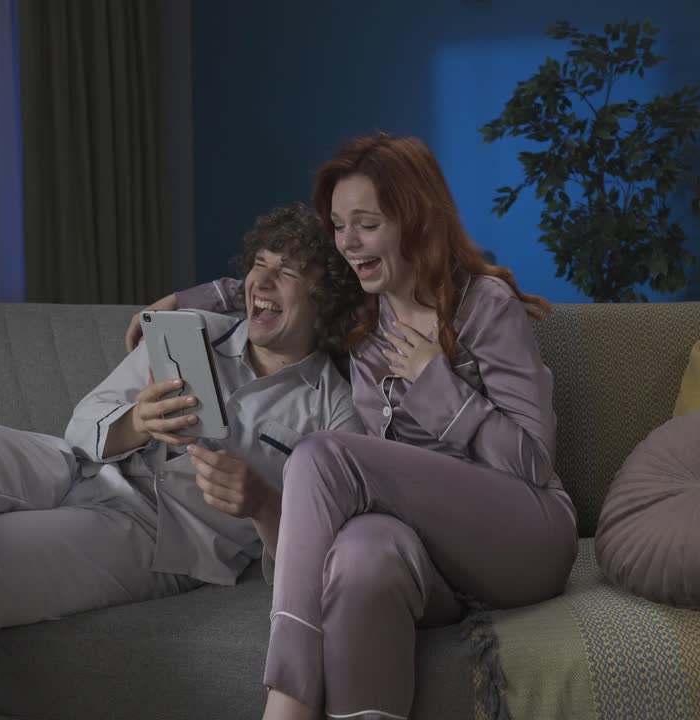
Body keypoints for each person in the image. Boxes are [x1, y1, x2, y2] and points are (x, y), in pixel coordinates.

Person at [0, 203, 365, 720]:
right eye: (260, 263)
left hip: (155, 534)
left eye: (288, 273)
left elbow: (313, 561)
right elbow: (85, 422)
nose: (263, 280)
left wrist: (261, 503)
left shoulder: (334, 413)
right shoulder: (191, 334)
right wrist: (135, 421)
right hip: (77, 466)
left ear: (326, 299)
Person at [133, 133, 579, 720]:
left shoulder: (483, 306)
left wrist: (438, 388)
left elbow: (532, 464)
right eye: (340, 225)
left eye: (365, 223)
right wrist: (202, 295)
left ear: (415, 221)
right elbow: (292, 279)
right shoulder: (363, 325)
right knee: (362, 556)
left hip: (524, 538)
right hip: (433, 565)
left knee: (319, 456)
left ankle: (287, 700)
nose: (348, 241)